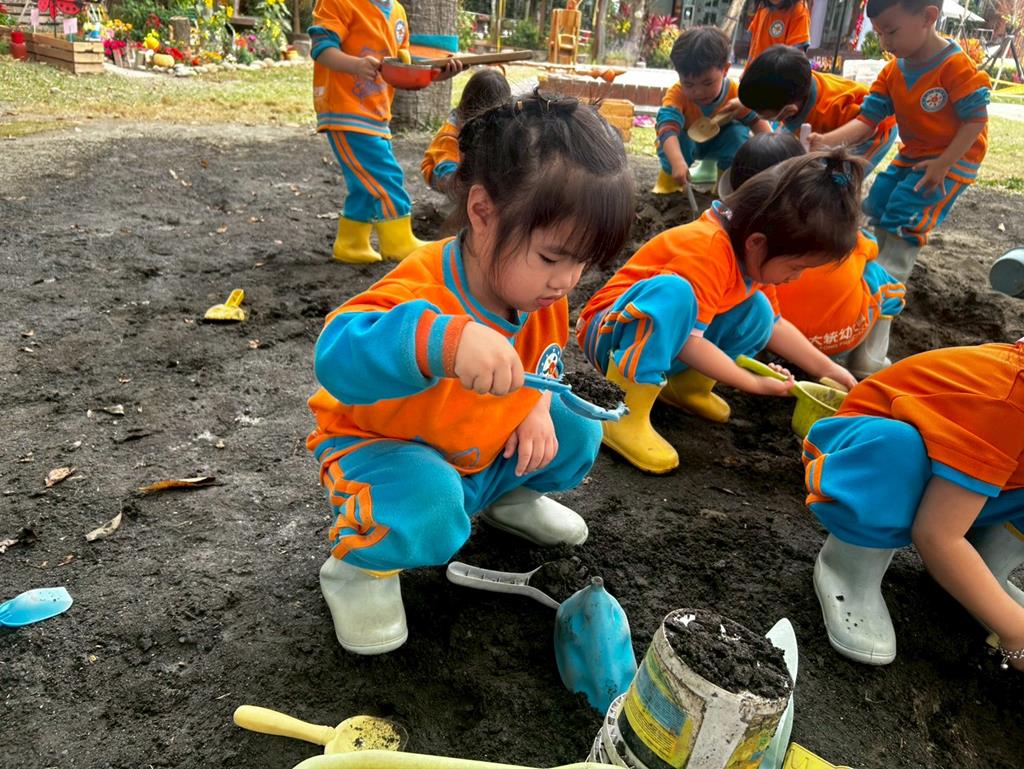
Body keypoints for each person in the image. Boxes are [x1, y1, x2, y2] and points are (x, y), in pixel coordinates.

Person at [306, 93, 635, 654]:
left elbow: (544, 362)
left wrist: (535, 408)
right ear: (483, 212)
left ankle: (508, 500)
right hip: (384, 452)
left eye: (583, 262)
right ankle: (361, 567)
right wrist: (444, 344)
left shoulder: (539, 296)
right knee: (431, 500)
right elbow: (336, 354)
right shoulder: (425, 286)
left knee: (577, 424)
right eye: (552, 257)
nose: (566, 281)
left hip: (478, 445)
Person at [576, 149, 861, 475]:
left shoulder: (752, 258)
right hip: (610, 334)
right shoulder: (707, 249)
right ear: (757, 242)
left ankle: (686, 387)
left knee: (759, 313)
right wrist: (752, 383)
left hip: (661, 340)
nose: (795, 278)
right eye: (796, 268)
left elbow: (776, 325)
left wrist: (827, 368)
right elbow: (690, 343)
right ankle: (621, 411)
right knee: (674, 294)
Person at [803, 341, 1024, 671]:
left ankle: (982, 571)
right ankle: (848, 569)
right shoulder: (1010, 399)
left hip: (963, 479)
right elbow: (937, 536)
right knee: (899, 449)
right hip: (862, 456)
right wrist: (1017, 635)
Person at [809, 0, 990, 376]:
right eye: (879, 33)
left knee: (899, 237)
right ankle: (858, 307)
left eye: (891, 31)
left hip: (949, 163)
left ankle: (870, 353)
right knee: (870, 217)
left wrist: (944, 164)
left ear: (928, 17)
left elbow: (975, 121)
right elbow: (868, 121)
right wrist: (825, 142)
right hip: (913, 156)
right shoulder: (893, 71)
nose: (885, 42)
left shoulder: (954, 67)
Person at [719, 133, 906, 360]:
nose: (796, 276)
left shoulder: (740, 240)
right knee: (879, 276)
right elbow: (870, 249)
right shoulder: (834, 227)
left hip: (769, 340)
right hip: (842, 338)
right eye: (796, 268)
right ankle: (870, 358)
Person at [309, 0, 461, 264]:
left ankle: (351, 243)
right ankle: (398, 241)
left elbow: (402, 69)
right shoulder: (338, 2)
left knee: (366, 184)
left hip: (377, 114)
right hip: (346, 112)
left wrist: (438, 74)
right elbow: (321, 49)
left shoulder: (397, 12)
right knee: (385, 176)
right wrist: (356, 65)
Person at [738, 45, 898, 171]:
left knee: (841, 177)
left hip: (874, 129)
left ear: (789, 111)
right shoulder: (795, 85)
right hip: (828, 129)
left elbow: (867, 129)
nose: (757, 115)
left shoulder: (833, 108)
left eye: (761, 114)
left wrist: (827, 142)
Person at [653, 26, 770, 195]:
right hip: (687, 145)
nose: (698, 92)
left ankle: (724, 184)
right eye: (689, 84)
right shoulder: (677, 94)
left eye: (707, 83)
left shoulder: (736, 93)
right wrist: (677, 162)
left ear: (725, 69)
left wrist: (775, 152)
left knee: (737, 134)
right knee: (671, 142)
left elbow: (757, 121)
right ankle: (669, 182)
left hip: (721, 144)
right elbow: (666, 128)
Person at [421, 68, 511, 199]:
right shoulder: (450, 135)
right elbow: (447, 173)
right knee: (462, 189)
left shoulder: (496, 123)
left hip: (466, 165)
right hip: (439, 171)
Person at [745, 0, 811, 65]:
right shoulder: (763, 7)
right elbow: (754, 47)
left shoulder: (798, 11)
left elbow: (795, 59)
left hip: (777, 70)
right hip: (756, 69)